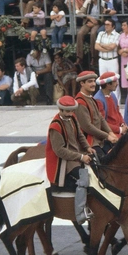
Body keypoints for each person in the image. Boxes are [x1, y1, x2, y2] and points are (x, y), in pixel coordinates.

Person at [45, 95, 95, 224]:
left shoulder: (73, 117)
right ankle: (80, 212)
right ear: (60, 110)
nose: (69, 113)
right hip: (65, 161)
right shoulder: (55, 126)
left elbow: (80, 135)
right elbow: (60, 151)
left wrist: (88, 147)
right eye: (67, 111)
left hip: (78, 154)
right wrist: (81, 157)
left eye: (71, 111)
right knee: (84, 178)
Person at [74, 70, 118, 153]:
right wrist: (107, 136)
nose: (93, 84)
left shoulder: (91, 98)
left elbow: (101, 118)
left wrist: (110, 132)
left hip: (99, 140)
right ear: (82, 83)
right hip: (89, 142)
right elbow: (87, 127)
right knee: (103, 163)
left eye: (94, 81)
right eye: (90, 82)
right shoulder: (80, 102)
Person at [93, 72, 128, 136]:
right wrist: (120, 129)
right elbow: (102, 123)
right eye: (115, 82)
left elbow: (117, 113)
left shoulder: (113, 95)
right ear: (108, 84)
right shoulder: (98, 100)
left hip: (118, 130)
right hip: (109, 134)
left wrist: (123, 123)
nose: (117, 84)